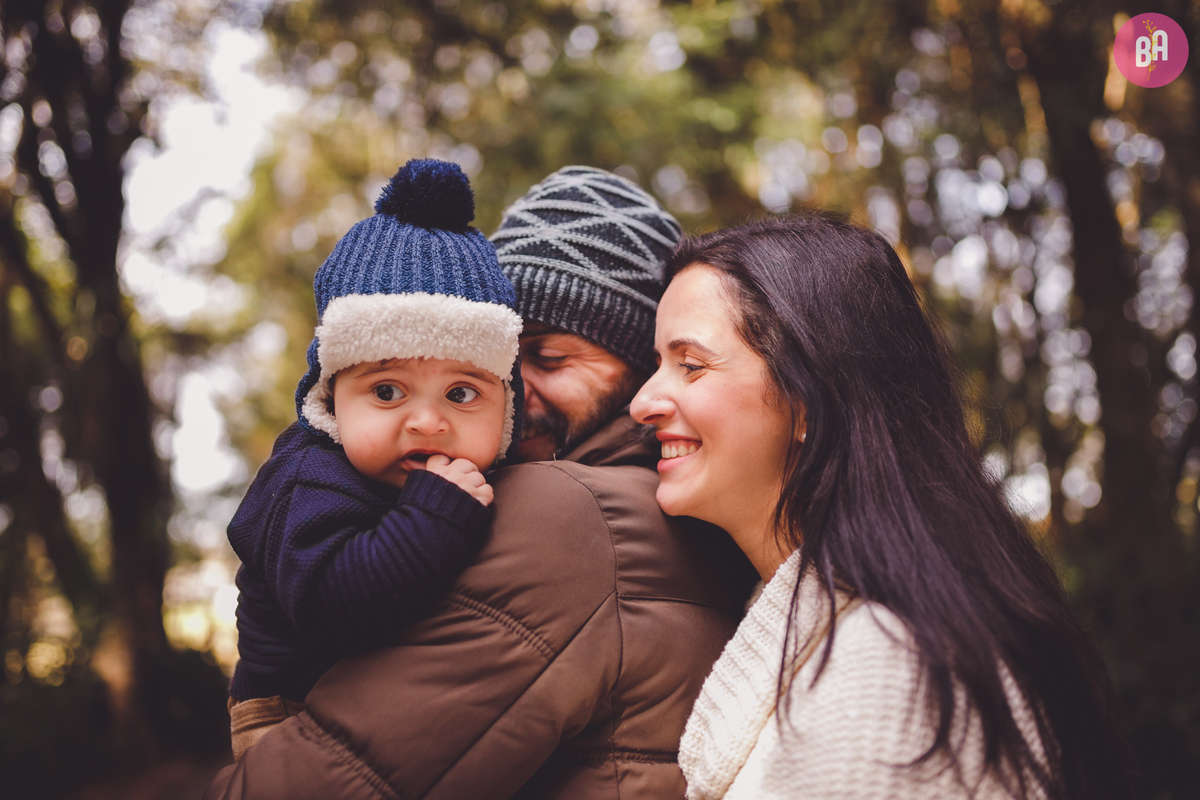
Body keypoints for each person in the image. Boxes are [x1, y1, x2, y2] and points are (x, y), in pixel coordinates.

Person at [204, 166, 755, 800]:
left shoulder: (571, 512)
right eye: (492, 365)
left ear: (642, 374)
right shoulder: (683, 517)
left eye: (548, 358)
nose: (511, 393)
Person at [631, 213, 1132, 799]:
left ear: (808, 397)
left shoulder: (894, 674)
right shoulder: (829, 632)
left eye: (691, 365)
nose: (644, 401)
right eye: (656, 364)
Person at [224, 159, 523, 761]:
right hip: (290, 716)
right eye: (387, 391)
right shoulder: (307, 477)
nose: (428, 421)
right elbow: (338, 609)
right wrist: (436, 515)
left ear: (508, 410)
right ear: (331, 395)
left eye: (462, 394)